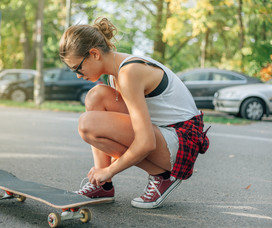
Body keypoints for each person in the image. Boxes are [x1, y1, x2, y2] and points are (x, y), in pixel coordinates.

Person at [59, 17, 210, 209]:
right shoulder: (116, 71)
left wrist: (109, 170)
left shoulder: (129, 73)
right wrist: (104, 170)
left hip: (182, 141)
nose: (78, 75)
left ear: (94, 54)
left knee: (88, 124)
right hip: (165, 133)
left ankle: (163, 177)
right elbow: (125, 135)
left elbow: (145, 142)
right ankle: (102, 187)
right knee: (96, 96)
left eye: (77, 68)